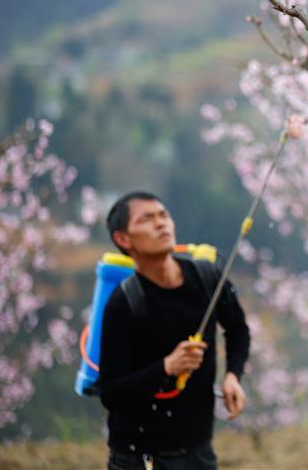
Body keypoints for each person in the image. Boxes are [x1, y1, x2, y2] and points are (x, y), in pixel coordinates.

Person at [100, 191, 250, 470]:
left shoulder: (207, 277)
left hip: (199, 451)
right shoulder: (123, 304)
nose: (161, 224)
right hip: (139, 456)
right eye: (147, 219)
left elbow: (238, 329)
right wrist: (167, 367)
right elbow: (111, 393)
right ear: (123, 239)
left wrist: (232, 375)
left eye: (163, 215)